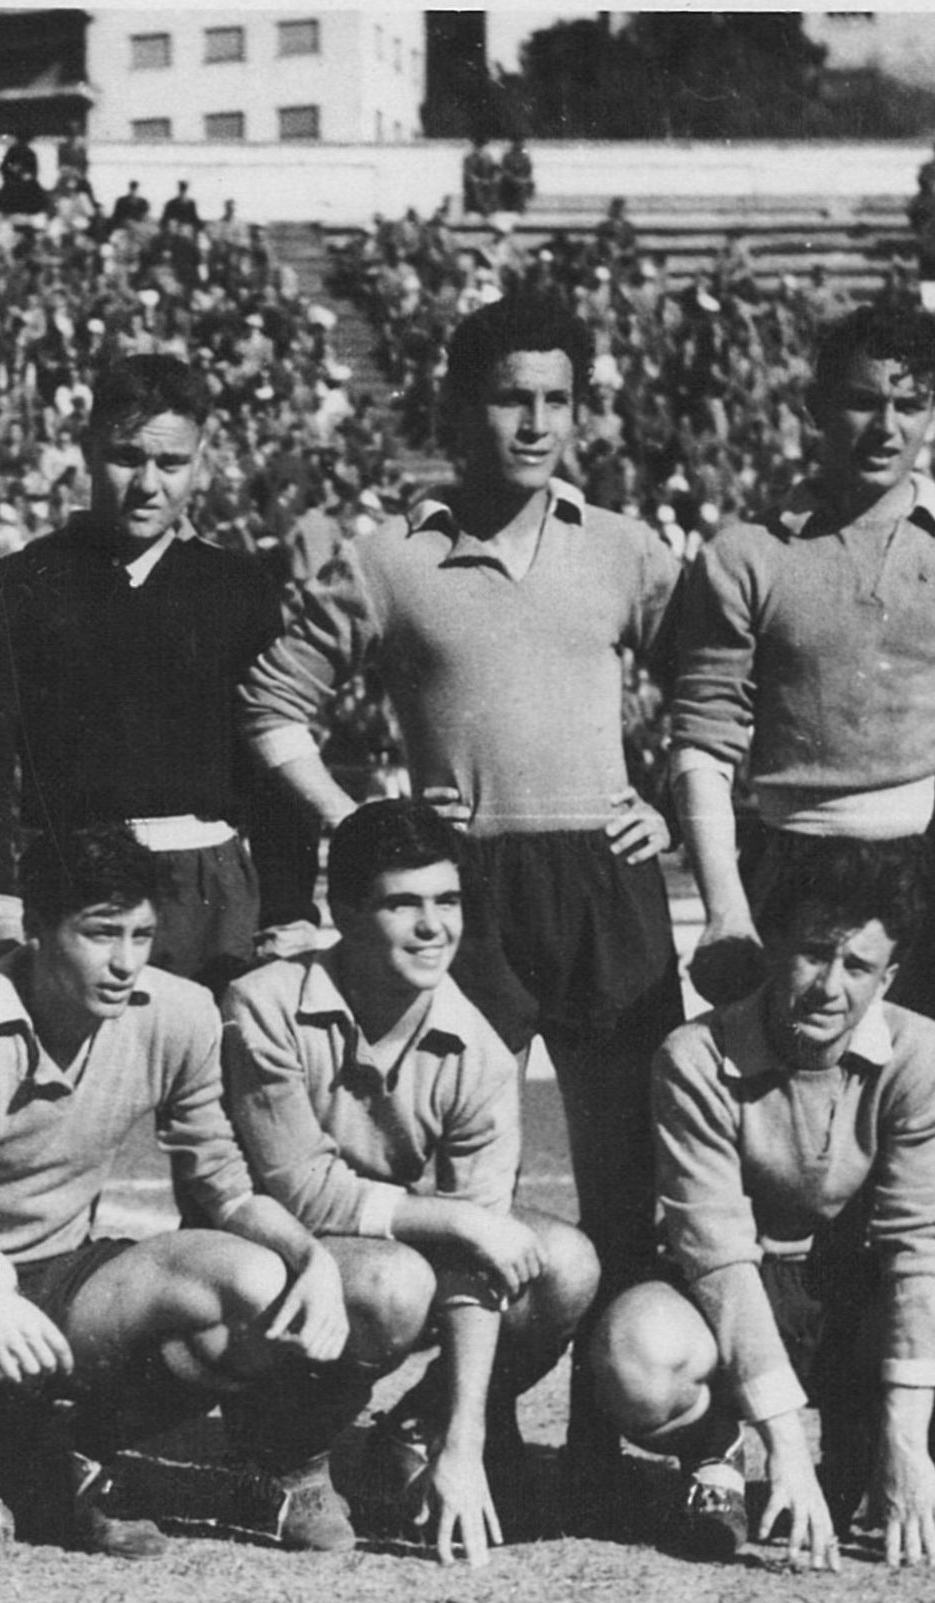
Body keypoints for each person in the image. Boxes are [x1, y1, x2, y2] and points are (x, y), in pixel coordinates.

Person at [241, 292, 683, 1486]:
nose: (532, 423)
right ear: (455, 409)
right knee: (464, 1178)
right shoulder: (390, 559)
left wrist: (672, 799)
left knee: (629, 1174)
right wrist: (365, 831)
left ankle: (600, 1442)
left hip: (606, 880)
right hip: (466, 888)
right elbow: (273, 709)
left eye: (555, 400)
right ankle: (448, 1426)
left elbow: (720, 679)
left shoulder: (627, 548)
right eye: (507, 398)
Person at [0, 825, 381, 1571]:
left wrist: (308, 1257)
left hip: (65, 1274)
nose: (125, 961)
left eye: (140, 934)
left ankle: (72, 1450)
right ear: (38, 928)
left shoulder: (177, 1012)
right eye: (100, 933)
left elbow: (222, 1181)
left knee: (255, 1280)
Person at [588, 838, 935, 1568]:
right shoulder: (694, 1056)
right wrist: (786, 1450)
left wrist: (904, 1440)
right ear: (774, 951)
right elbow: (717, 1256)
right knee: (632, 1352)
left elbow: (919, 1245)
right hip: (740, 1295)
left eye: (856, 966)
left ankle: (878, 1447)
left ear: (887, 977)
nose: (829, 985)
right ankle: (715, 1452)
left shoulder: (921, 1053)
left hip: (858, 1295)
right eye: (813, 953)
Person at [665, 305, 935, 1141]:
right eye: (862, 401)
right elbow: (702, 740)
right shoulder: (744, 554)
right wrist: (725, 910)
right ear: (815, 407)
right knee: (785, 1136)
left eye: (909, 404)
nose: (885, 426)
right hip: (791, 864)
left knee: (928, 1129)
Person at [222, 799, 602, 1563]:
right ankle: (286, 1453)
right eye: (403, 903)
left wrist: (462, 1441)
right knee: (394, 1282)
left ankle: (413, 1432)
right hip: (268, 1250)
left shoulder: (479, 1047)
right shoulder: (263, 1002)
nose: (433, 927)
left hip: (384, 1244)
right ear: (344, 911)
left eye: (447, 900)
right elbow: (296, 1189)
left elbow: (479, 1261)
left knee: (562, 1263)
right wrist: (456, 1219)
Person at [0, 353, 316, 989]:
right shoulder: (19, 585)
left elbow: (273, 762)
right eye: (126, 457)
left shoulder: (239, 589)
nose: (147, 484)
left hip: (209, 896)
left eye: (171, 463)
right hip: (70, 886)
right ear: (88, 450)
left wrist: (290, 909)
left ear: (199, 461)